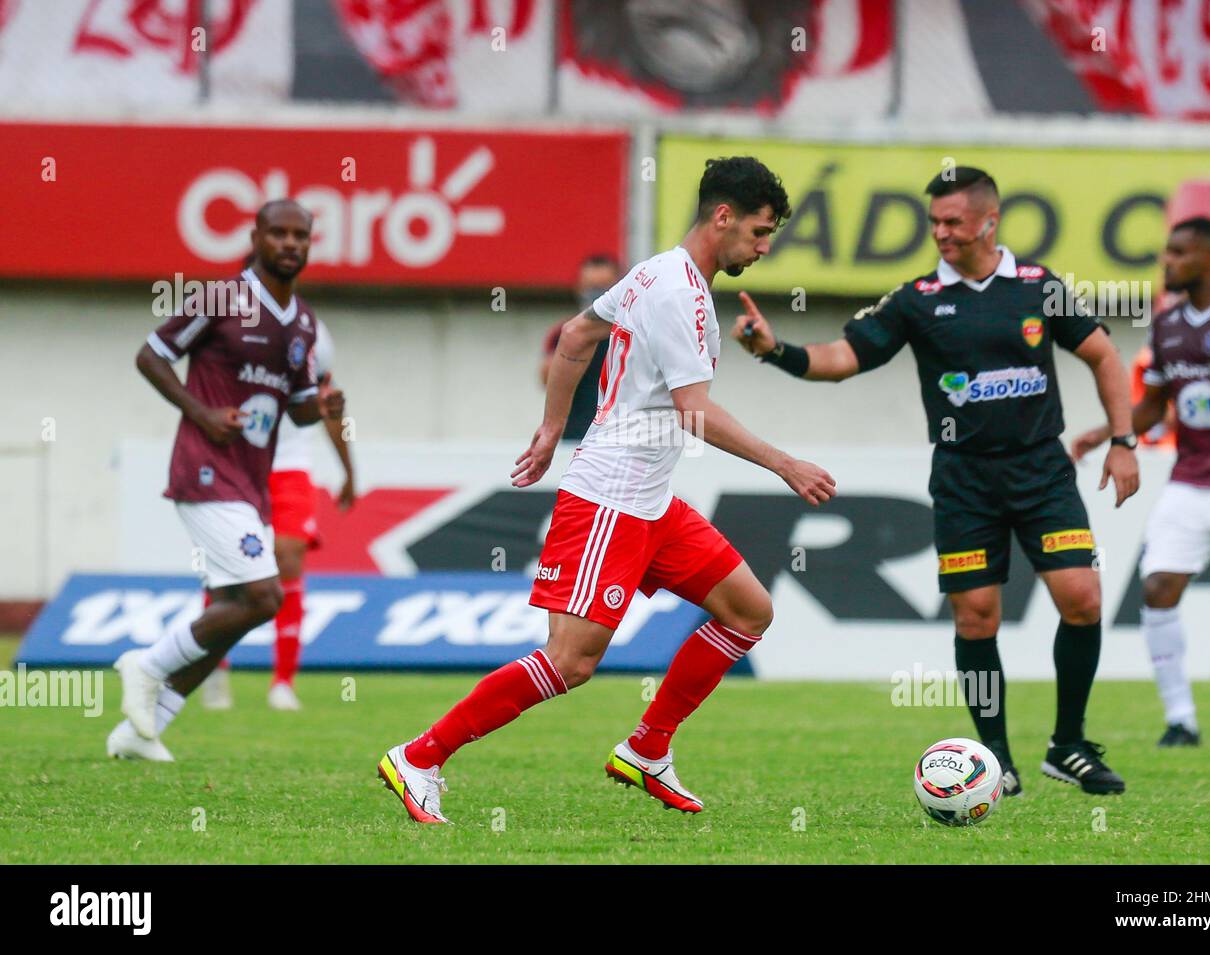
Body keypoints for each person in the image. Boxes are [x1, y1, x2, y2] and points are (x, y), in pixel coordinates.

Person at [376, 157, 836, 824]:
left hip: (651, 502)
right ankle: (420, 756)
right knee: (571, 661)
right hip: (610, 501)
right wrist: (785, 463)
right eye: (761, 233)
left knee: (747, 611)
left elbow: (576, 334)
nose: (765, 248)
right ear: (723, 217)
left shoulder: (657, 271)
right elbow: (693, 410)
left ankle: (648, 748)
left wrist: (552, 428)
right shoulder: (676, 292)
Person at [736, 166, 1138, 796]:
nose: (942, 233)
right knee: (977, 617)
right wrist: (774, 350)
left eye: (952, 222)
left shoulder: (1039, 287)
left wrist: (1123, 440)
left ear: (989, 221)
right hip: (964, 480)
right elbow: (844, 359)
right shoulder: (916, 299)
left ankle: (1069, 745)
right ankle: (996, 757)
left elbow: (1103, 356)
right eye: (934, 223)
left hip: (1041, 472)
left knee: (1082, 597)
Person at [107, 199, 344, 761]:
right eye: (278, 233)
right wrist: (201, 412)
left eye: (300, 236)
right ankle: (146, 664)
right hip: (205, 470)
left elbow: (302, 408)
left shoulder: (304, 323)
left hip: (250, 481)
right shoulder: (220, 297)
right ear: (256, 236)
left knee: (234, 609)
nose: (290, 243)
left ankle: (143, 729)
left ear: (310, 244)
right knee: (264, 597)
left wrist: (328, 404)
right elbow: (151, 355)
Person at [1072, 217, 1210, 747]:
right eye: (1167, 252)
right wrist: (1106, 434)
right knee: (1157, 588)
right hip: (1192, 479)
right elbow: (1154, 405)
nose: (1167, 262)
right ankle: (1181, 721)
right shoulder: (1168, 325)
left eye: (1178, 253)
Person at [263, 320, 355, 710]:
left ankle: (283, 681)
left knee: (288, 557)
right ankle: (215, 668)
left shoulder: (312, 329)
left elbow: (330, 402)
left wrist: (350, 472)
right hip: (241, 462)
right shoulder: (230, 321)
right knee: (228, 565)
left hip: (291, 465)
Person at [540, 255, 621, 440]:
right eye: (591, 288)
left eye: (603, 288)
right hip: (575, 435)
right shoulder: (565, 332)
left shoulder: (629, 332)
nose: (596, 294)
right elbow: (546, 380)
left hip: (618, 436)